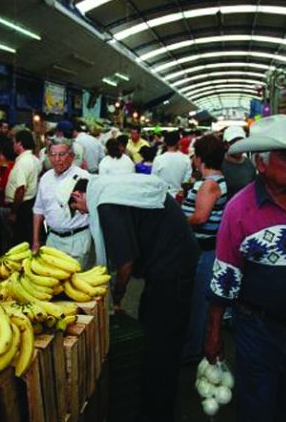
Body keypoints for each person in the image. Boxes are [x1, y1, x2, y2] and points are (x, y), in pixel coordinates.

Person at [203, 114, 286, 422]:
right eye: (285, 155)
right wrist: (213, 333)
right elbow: (224, 277)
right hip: (259, 329)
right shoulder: (239, 209)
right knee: (258, 404)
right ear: (261, 163)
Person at [68, 174, 199, 422]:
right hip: (173, 263)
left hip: (172, 271)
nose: (85, 214)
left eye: (79, 210)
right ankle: (154, 401)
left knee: (162, 346)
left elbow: (126, 262)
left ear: (77, 195)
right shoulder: (114, 189)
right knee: (152, 327)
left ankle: (158, 411)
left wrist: (117, 296)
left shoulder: (106, 203)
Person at [180, 134, 228, 361]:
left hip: (204, 251)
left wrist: (177, 220)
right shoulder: (214, 180)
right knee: (199, 301)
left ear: (200, 157)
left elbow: (200, 217)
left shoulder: (210, 184)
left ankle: (192, 350)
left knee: (199, 303)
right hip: (205, 250)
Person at [33, 138, 93, 267]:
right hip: (52, 240)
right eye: (53, 155)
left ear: (71, 156)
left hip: (77, 240)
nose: (57, 159)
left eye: (62, 154)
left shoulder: (84, 178)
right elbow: (39, 210)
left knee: (73, 282)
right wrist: (36, 241)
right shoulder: (45, 178)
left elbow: (94, 208)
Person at [5, 129, 42, 246]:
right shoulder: (35, 160)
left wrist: (13, 212)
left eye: (14, 142)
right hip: (30, 204)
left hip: (21, 207)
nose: (13, 145)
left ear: (20, 144)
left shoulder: (23, 163)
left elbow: (21, 189)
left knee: (21, 242)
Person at [151, 130, 192, 199]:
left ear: (165, 143)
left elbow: (154, 179)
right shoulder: (186, 159)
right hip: (178, 196)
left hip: (161, 196)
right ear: (178, 142)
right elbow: (186, 180)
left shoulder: (158, 159)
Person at [221, 125, 257, 199]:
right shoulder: (218, 163)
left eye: (241, 142)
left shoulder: (249, 164)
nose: (238, 146)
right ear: (226, 145)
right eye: (234, 142)